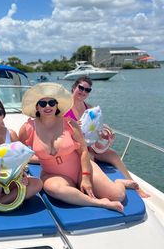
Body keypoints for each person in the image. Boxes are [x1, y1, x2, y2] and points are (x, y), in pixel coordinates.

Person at [19, 83, 130, 212]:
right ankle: (99, 203)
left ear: (57, 105)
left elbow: (83, 151)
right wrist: (22, 175)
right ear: (37, 107)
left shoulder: (70, 124)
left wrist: (86, 177)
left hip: (80, 169)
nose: (48, 106)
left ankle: (120, 182)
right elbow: (19, 156)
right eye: (43, 104)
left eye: (52, 102)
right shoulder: (28, 128)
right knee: (54, 189)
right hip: (53, 175)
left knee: (118, 195)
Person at [64, 76, 149, 198]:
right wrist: (72, 126)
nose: (83, 92)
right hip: (74, 147)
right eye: (81, 88)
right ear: (74, 87)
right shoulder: (64, 107)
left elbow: (97, 128)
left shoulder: (90, 109)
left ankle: (137, 188)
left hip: (89, 145)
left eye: (87, 90)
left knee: (113, 155)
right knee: (90, 158)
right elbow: (57, 129)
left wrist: (104, 133)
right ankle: (97, 190)